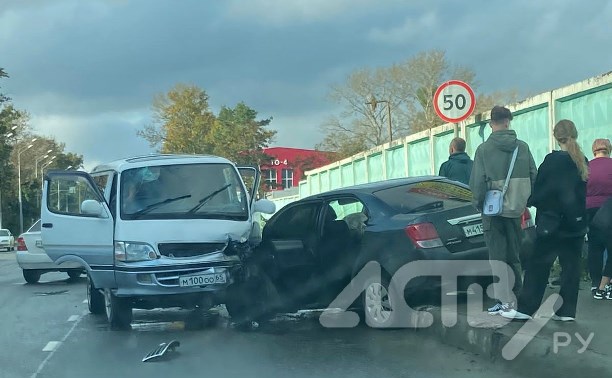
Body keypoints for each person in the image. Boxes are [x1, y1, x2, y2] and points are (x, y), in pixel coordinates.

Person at [503, 120, 589, 321]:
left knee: (539, 265)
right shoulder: (582, 160)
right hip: (576, 225)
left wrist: (533, 201)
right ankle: (566, 312)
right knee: (571, 268)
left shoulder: (551, 161)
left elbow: (541, 190)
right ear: (575, 134)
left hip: (552, 224)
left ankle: (526, 309)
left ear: (555, 136)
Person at [469, 105, 537, 315]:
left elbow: (478, 184)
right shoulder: (522, 147)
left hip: (493, 211)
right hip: (516, 209)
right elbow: (533, 175)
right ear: (509, 121)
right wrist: (524, 200)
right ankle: (517, 297)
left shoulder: (483, 150)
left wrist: (479, 204)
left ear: (491, 124)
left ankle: (505, 302)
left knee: (497, 257)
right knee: (514, 255)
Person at [586, 138, 612, 299]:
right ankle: (606, 285)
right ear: (608, 149)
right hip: (609, 208)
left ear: (594, 150)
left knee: (594, 247)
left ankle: (595, 283)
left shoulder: (587, 167)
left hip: (589, 209)